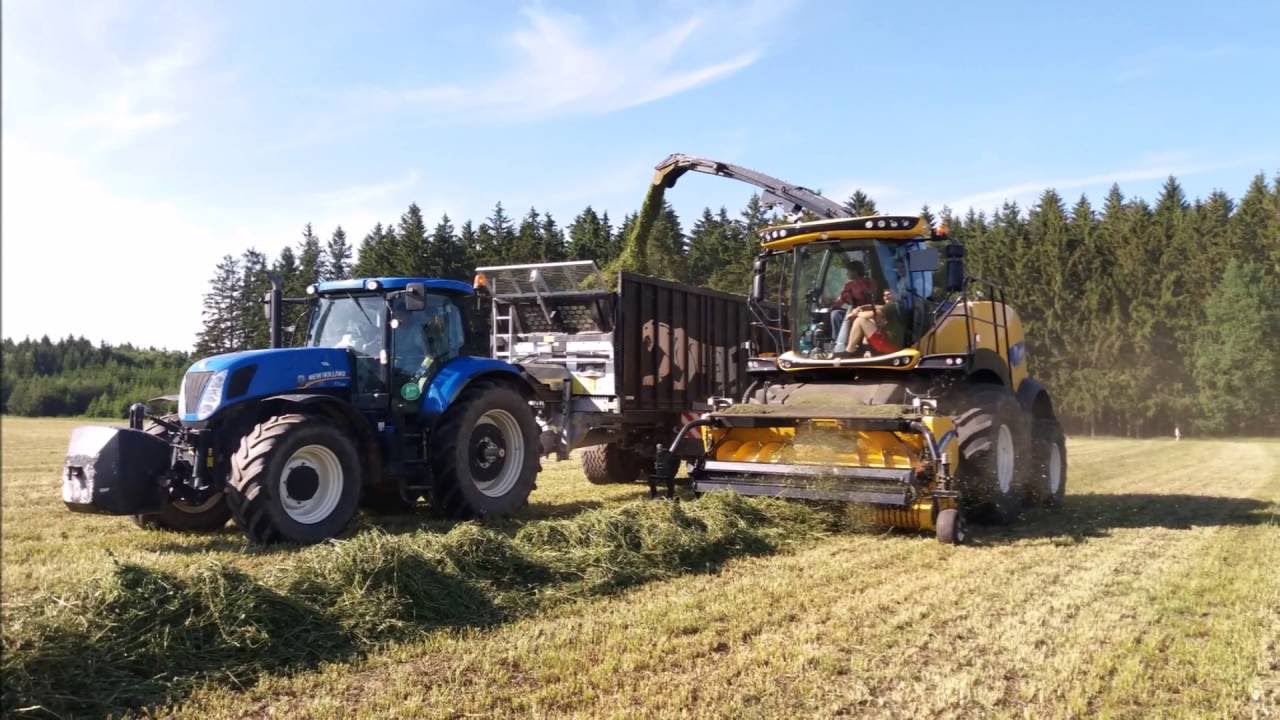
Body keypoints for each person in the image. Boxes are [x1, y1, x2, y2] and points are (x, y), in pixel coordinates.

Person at [837, 288, 905, 356]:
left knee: (860, 321)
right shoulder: (896, 306)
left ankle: (849, 351)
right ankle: (866, 350)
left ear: (896, 295)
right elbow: (874, 307)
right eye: (884, 295)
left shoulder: (891, 306)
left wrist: (855, 313)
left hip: (891, 346)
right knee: (871, 321)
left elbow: (871, 314)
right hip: (894, 344)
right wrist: (860, 308)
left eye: (889, 294)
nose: (886, 297)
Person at [827, 261, 877, 339]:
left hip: (867, 310)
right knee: (836, 314)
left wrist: (862, 292)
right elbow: (839, 301)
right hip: (853, 311)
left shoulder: (869, 282)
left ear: (855, 271)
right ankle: (838, 341)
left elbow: (873, 296)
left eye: (848, 271)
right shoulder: (848, 285)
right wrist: (829, 304)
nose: (847, 274)